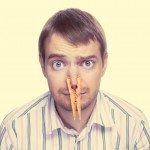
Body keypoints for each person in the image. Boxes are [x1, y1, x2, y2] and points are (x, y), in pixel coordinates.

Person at [0, 8, 150, 150]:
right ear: (42, 66)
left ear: (104, 63)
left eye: (87, 63)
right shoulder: (15, 131)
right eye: (58, 64)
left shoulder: (133, 126)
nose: (72, 82)